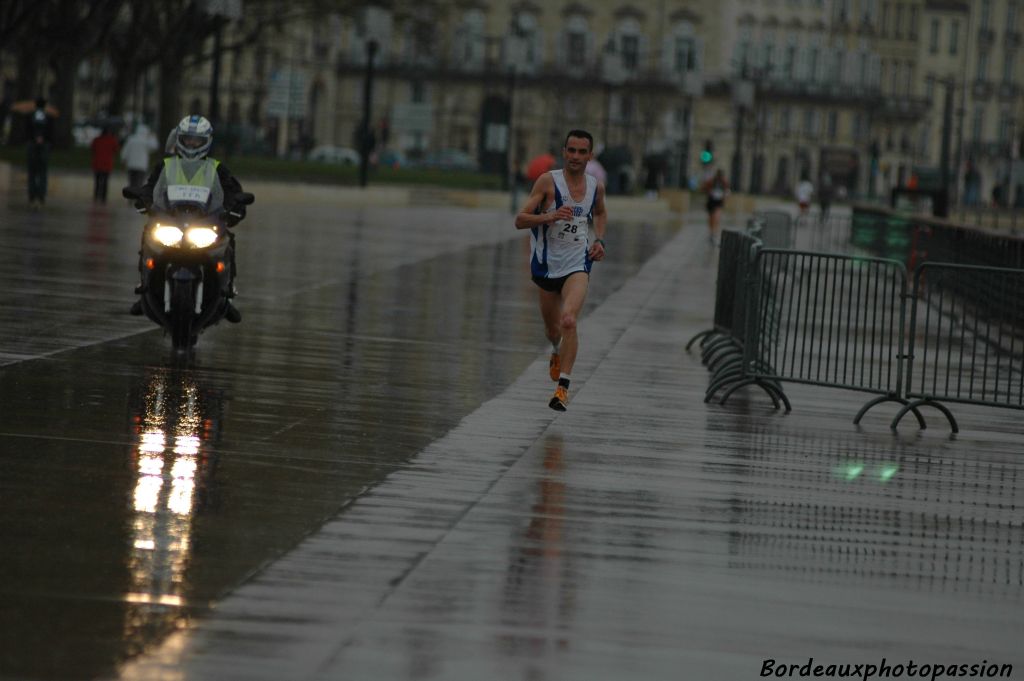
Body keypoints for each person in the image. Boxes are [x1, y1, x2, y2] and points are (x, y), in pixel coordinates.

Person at [515, 129, 607, 411]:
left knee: (569, 321)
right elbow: (520, 220)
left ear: (589, 155)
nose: (576, 157)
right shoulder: (548, 182)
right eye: (572, 151)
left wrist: (599, 240)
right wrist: (550, 215)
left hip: (577, 263)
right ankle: (556, 349)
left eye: (582, 152)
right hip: (546, 266)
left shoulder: (595, 187)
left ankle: (562, 390)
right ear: (564, 152)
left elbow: (601, 213)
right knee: (553, 329)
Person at [130, 114, 248, 323]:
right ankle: (145, 287)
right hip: (171, 219)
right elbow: (151, 187)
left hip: (203, 220)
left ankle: (227, 294)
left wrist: (234, 207)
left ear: (207, 142)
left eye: (197, 140)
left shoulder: (216, 168)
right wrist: (144, 199)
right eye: (188, 139)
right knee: (148, 236)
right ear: (179, 139)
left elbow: (232, 191)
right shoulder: (166, 165)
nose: (192, 144)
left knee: (228, 241)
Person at [25, 97, 54, 207]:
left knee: (32, 172)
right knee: (43, 172)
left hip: (32, 145)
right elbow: (51, 132)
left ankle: (32, 195)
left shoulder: (30, 116)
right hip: (45, 146)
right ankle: (41, 195)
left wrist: (34, 138)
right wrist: (44, 139)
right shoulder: (48, 117)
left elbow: (27, 131)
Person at [120, 122, 158, 189]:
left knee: (131, 183)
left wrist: (123, 160)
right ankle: (136, 198)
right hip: (141, 166)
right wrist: (152, 136)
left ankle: (131, 197)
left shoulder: (131, 139)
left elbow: (125, 151)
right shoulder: (146, 141)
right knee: (139, 183)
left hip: (131, 165)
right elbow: (155, 146)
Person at [90, 126, 119, 203]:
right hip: (107, 165)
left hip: (97, 164)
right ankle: (103, 198)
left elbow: (92, 149)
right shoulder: (112, 140)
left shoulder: (96, 140)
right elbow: (116, 150)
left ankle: (96, 197)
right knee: (105, 182)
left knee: (97, 182)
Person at [701, 168, 729, 244]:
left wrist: (725, 195)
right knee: (711, 219)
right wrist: (709, 191)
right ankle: (711, 232)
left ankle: (714, 233)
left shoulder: (724, 182)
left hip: (719, 203)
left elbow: (727, 191)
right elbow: (704, 188)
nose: (720, 176)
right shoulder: (711, 181)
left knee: (716, 217)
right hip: (711, 202)